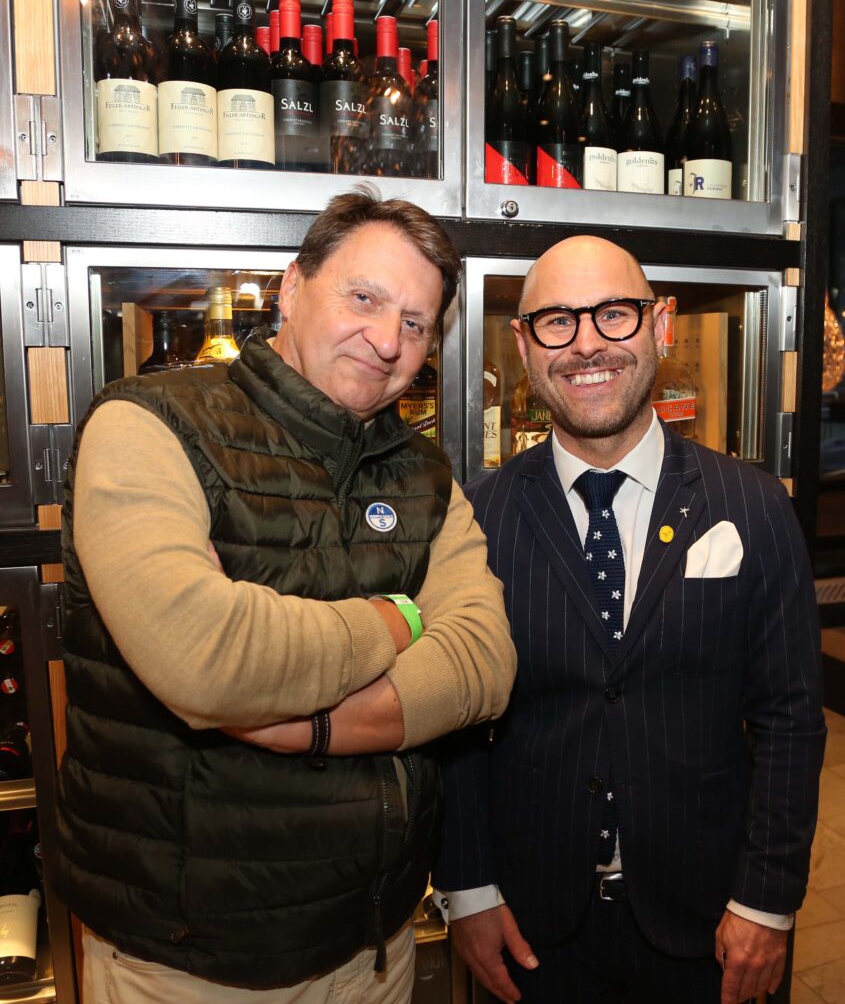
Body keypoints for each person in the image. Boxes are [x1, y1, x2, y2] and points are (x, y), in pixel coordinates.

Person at [54, 188, 517, 1004]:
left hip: (374, 950)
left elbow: (484, 664)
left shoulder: (421, 471)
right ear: (292, 287)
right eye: (364, 298)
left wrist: (307, 723)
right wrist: (400, 618)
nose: (387, 341)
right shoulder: (149, 425)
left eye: (415, 324)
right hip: (190, 964)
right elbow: (209, 660)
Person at [434, 235, 826, 1004]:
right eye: (556, 321)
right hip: (532, 925)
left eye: (613, 313)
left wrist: (766, 900)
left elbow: (789, 718)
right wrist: (468, 890)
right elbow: (455, 727)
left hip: (710, 922)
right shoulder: (476, 519)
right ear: (523, 344)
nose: (587, 344)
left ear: (661, 324)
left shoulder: (753, 506)